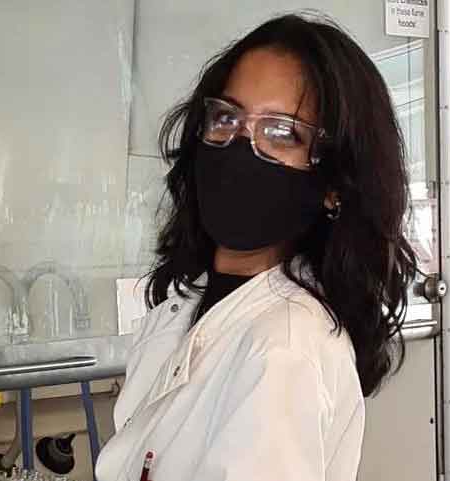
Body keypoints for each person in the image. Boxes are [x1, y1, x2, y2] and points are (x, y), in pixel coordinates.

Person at [95, 12, 418, 481]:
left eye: (282, 132)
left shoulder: (283, 349)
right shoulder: (196, 305)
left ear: (335, 184)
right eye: (227, 117)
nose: (240, 147)